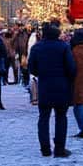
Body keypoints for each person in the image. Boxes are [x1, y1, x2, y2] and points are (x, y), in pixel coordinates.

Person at [26, 23, 75, 157]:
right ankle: (59, 148)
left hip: (45, 87)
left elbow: (32, 68)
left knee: (43, 118)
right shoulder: (64, 47)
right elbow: (71, 68)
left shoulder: (37, 47)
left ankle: (45, 149)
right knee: (61, 117)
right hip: (61, 87)